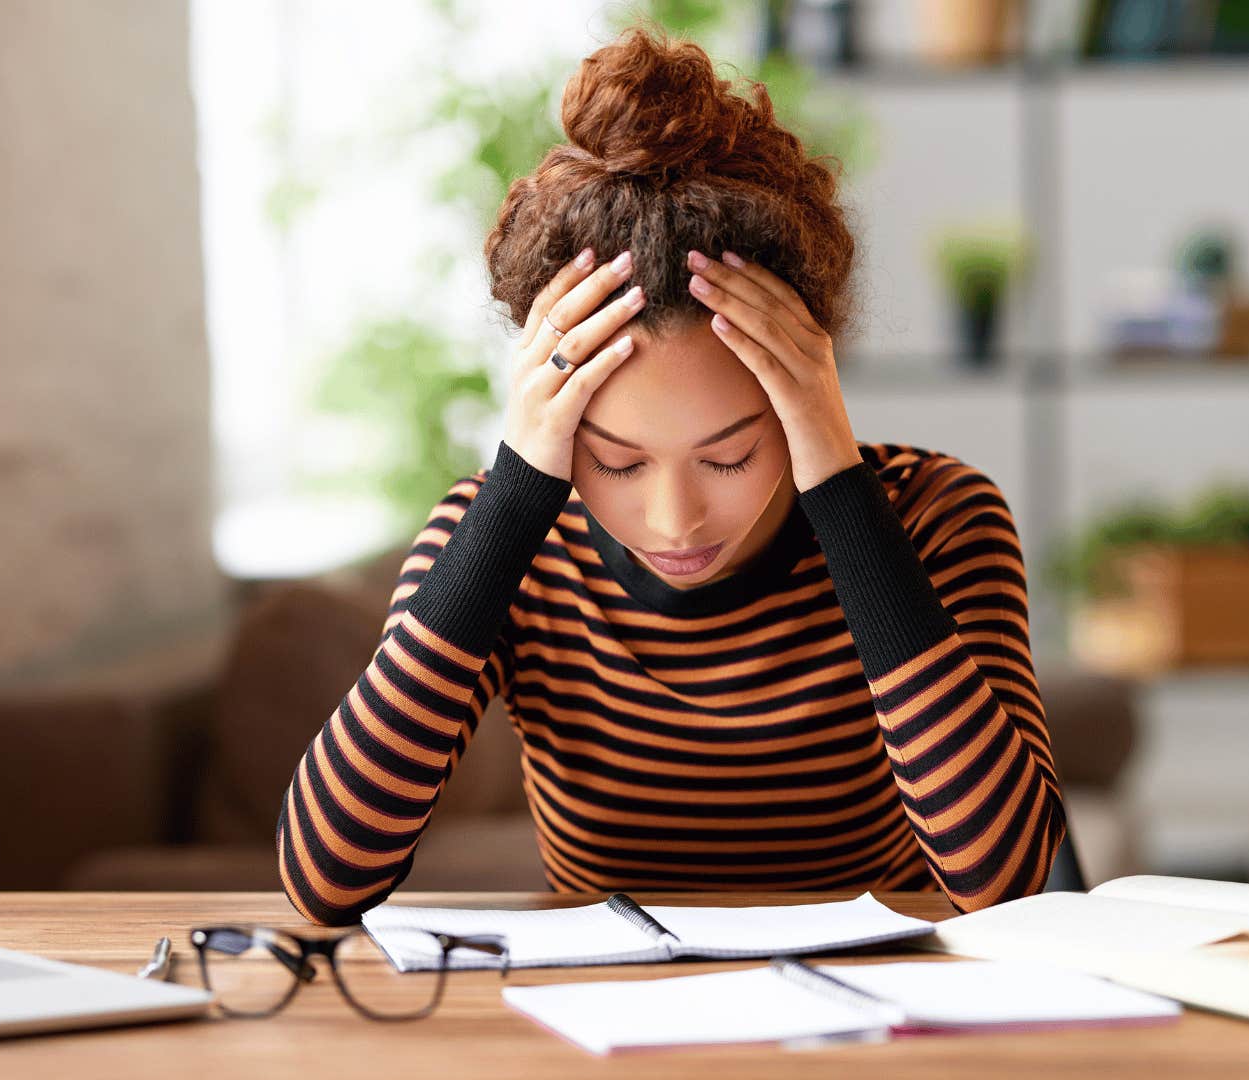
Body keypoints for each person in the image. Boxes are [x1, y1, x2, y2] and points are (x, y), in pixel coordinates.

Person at [277, 22, 1067, 926]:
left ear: (807, 391)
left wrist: (838, 486)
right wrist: (513, 495)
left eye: (729, 454)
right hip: (597, 1033)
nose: (676, 520)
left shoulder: (936, 517)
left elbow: (1004, 883)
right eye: (616, 460)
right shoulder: (500, 539)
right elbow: (326, 879)